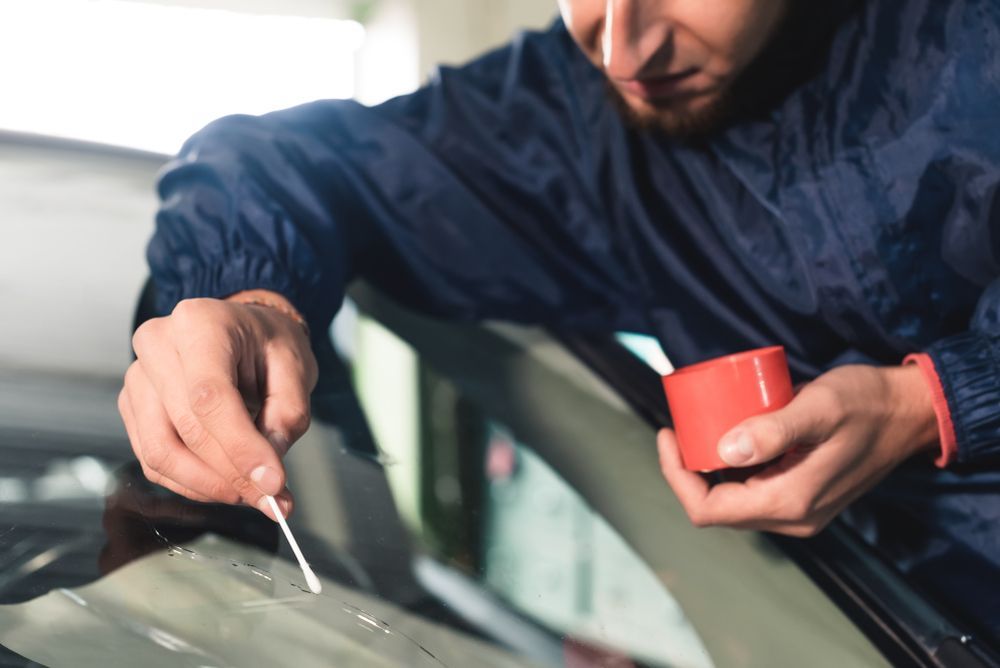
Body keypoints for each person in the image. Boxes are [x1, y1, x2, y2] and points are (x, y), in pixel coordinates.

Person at [121, 0, 999, 588]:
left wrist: (933, 401)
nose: (621, 47)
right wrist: (251, 299)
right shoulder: (576, 123)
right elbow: (280, 166)